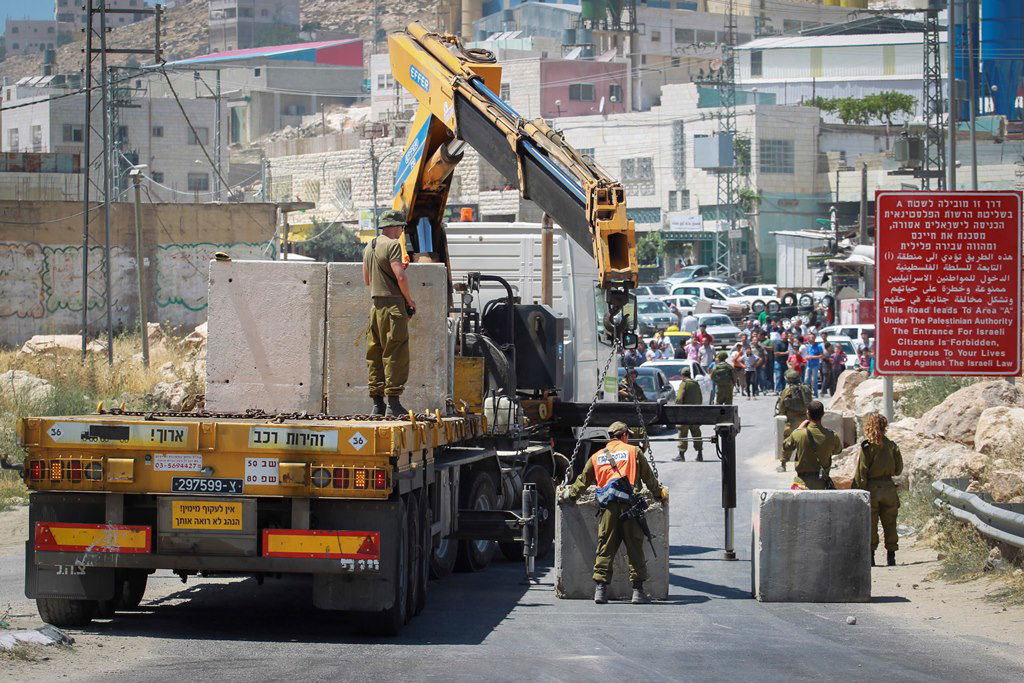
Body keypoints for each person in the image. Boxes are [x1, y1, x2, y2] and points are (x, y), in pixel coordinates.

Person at [559, 422, 669, 604]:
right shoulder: (634, 452)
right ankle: (638, 592)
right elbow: (649, 479)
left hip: (608, 508)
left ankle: (600, 590)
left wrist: (569, 495)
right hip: (630, 507)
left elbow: (582, 481)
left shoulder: (597, 456)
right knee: (634, 547)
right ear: (624, 435)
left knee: (605, 546)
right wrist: (659, 493)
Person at [362, 209, 416, 416]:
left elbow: (367, 280)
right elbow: (400, 277)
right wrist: (409, 300)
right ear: (394, 227)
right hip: (393, 306)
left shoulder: (369, 246)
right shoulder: (393, 245)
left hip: (375, 306)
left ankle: (378, 404)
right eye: (401, 227)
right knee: (395, 351)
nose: (402, 231)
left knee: (374, 352)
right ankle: (393, 404)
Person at [854, 413, 903, 567]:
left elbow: (861, 473)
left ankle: (872, 558)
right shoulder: (892, 446)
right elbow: (898, 470)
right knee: (890, 524)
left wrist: (857, 490)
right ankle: (891, 557)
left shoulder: (867, 447)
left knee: (871, 524)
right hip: (889, 488)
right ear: (885, 427)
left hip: (872, 489)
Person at [781, 400, 843, 490]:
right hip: (822, 485)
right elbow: (838, 450)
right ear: (823, 414)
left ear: (808, 414)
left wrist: (798, 429)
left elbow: (786, 446)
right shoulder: (832, 436)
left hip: (802, 484)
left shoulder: (799, 434)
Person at [775, 369, 812, 472]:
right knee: (806, 442)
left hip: (792, 420)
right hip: (806, 419)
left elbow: (782, 406)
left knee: (788, 442)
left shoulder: (787, 391)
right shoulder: (806, 389)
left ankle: (783, 464)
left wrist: (782, 414)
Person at [674, 368, 704, 462]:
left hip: (685, 413)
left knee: (683, 433)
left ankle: (681, 455)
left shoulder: (684, 383)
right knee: (696, 433)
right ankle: (700, 454)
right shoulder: (695, 384)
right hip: (695, 412)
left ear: (682, 375)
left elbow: (679, 398)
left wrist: (677, 408)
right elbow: (700, 398)